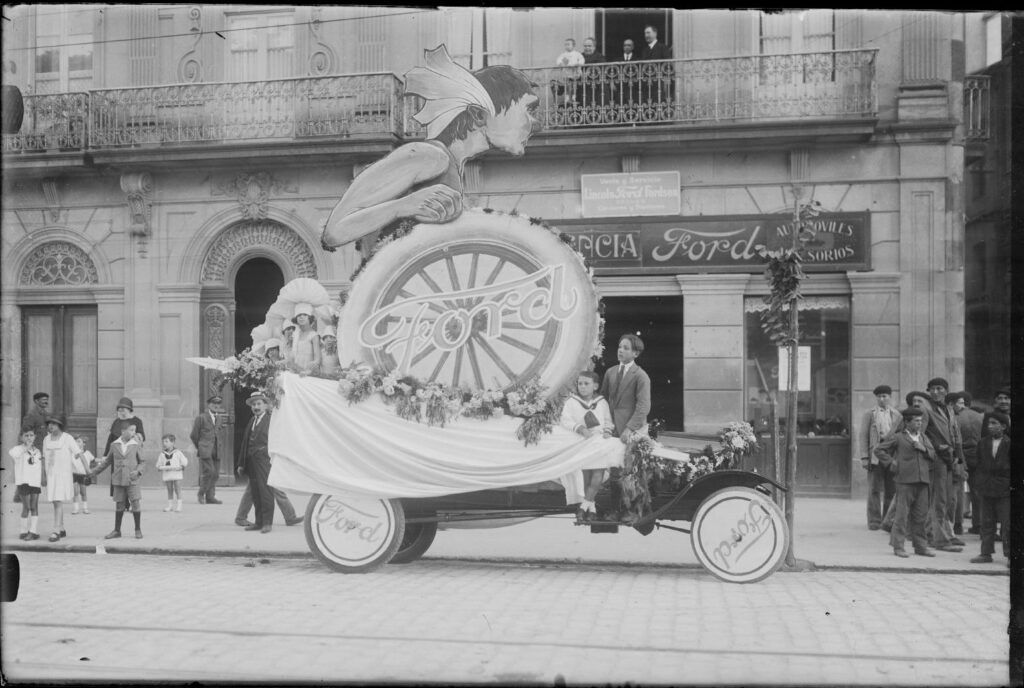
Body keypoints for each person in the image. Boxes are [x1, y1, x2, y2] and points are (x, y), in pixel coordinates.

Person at [320, 45, 539, 254]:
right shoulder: (429, 156)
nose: (535, 123)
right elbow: (335, 232)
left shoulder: (450, 165)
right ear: (479, 114)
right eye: (528, 110)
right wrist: (405, 205)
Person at [559, 370, 622, 522]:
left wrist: (607, 430)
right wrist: (580, 428)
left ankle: (583, 507)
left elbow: (608, 420)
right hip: (584, 442)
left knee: (597, 476)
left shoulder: (601, 402)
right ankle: (591, 509)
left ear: (595, 386)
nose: (582, 387)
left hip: (599, 441)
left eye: (586, 384)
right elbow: (565, 420)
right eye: (580, 383)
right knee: (586, 476)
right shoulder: (572, 402)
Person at [874, 407, 935, 558]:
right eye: (916, 421)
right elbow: (879, 450)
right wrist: (891, 463)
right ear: (907, 422)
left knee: (921, 516)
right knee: (902, 515)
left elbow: (933, 454)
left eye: (921, 421)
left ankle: (920, 547)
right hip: (905, 481)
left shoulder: (923, 438)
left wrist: (924, 449)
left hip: (923, 481)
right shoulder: (898, 437)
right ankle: (898, 547)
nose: (919, 424)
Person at [88, 421, 145, 539]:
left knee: (135, 503)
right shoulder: (114, 445)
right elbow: (107, 462)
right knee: (119, 505)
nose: (134, 433)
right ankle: (117, 530)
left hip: (132, 479)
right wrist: (93, 473)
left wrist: (138, 471)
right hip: (118, 479)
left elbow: (142, 461)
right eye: (131, 430)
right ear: (123, 431)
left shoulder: (136, 444)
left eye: (134, 430)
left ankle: (137, 529)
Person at [855, 384, 901, 530]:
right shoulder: (870, 414)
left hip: (891, 455)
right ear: (876, 398)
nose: (882, 399)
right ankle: (874, 520)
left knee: (891, 489)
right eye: (879, 397)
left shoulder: (897, 415)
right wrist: (864, 457)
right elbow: (863, 436)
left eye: (885, 396)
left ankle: (887, 520)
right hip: (875, 455)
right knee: (874, 489)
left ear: (890, 397)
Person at [969, 412, 1010, 566]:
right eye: (989, 423)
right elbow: (978, 464)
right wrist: (980, 483)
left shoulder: (1010, 443)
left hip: (1004, 488)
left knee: (1007, 523)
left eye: (994, 423)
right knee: (987, 522)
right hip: (986, 487)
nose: (990, 426)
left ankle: (1011, 554)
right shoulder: (983, 443)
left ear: (1004, 427)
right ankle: (986, 553)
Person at [599, 334, 651, 444]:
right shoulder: (610, 372)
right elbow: (602, 400)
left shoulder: (640, 376)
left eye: (626, 348)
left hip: (631, 432)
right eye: (619, 347)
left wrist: (629, 429)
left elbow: (643, 407)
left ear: (635, 353)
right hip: (610, 430)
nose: (620, 350)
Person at [236, 391, 274, 533]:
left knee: (266, 492)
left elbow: (277, 441)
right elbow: (245, 443)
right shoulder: (252, 420)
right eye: (253, 404)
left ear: (265, 405)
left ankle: (268, 523)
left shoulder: (271, 420)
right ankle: (259, 522)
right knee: (256, 493)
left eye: (259, 404)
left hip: (265, 460)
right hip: (251, 461)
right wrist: (241, 464)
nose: (256, 407)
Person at [41, 416, 81, 542]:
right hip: (51, 475)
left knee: (58, 501)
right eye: (49, 424)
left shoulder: (67, 438)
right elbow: (43, 458)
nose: (51, 426)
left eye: (55, 424)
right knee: (55, 501)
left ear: (60, 425)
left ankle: (56, 530)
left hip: (62, 475)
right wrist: (43, 475)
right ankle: (62, 528)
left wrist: (88, 470)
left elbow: (78, 454)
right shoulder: (46, 439)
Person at [956, 391, 985, 534]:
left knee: (958, 490)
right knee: (977, 491)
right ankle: (978, 525)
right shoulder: (979, 417)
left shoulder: (956, 417)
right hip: (978, 455)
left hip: (961, 455)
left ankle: (957, 525)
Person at [190, 394, 223, 505]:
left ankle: (210, 497)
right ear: (208, 405)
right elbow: (194, 435)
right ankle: (201, 493)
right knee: (209, 472)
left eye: (218, 404)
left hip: (216, 450)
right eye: (214, 403)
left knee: (216, 474)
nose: (216, 406)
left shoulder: (219, 418)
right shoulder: (201, 418)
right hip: (205, 449)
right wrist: (200, 446)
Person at [944, 392, 969, 536]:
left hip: (957, 462)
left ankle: (955, 526)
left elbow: (958, 443)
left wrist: (962, 465)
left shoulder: (954, 418)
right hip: (951, 461)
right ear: (951, 404)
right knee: (952, 497)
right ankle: (951, 528)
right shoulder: (947, 418)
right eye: (960, 403)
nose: (963, 406)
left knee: (956, 496)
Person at [10, 427, 43, 540]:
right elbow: (15, 455)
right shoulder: (17, 449)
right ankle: (23, 531)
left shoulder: (37, 451)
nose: (29, 438)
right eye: (26, 435)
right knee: (26, 507)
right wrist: (26, 447)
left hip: (35, 483)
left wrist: (40, 481)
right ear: (21, 437)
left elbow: (38, 467)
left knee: (34, 506)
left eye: (31, 435)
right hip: (23, 482)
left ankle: (33, 531)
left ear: (35, 437)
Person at [234, 485, 304, 528]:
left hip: (264, 463)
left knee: (253, 487)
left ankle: (241, 516)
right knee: (253, 487)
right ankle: (290, 517)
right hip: (261, 463)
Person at [157, 434, 188, 513]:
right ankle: (170, 505)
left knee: (177, 488)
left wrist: (181, 466)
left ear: (173, 442)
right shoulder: (162, 454)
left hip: (176, 473)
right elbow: (159, 464)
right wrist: (160, 467)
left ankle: (179, 505)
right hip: (167, 474)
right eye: (163, 441)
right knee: (169, 489)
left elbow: (184, 461)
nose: (164, 443)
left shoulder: (178, 452)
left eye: (166, 441)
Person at [576, 37, 608, 109]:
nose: (587, 48)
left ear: (594, 47)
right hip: (583, 87)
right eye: (585, 46)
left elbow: (602, 68)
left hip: (598, 87)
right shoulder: (580, 56)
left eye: (589, 46)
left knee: (598, 108)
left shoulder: (599, 56)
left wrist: (589, 71)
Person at [291, 303, 322, 374]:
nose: (301, 317)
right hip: (295, 372)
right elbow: (293, 356)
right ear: (296, 318)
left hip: (308, 374)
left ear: (309, 318)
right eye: (299, 315)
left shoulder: (314, 335)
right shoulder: (296, 334)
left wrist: (308, 371)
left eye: (305, 315)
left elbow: (317, 360)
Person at [554, 38, 585, 107]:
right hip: (567, 72)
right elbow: (559, 60)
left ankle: (574, 95)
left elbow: (581, 60)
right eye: (565, 45)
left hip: (574, 71)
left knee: (574, 84)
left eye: (568, 44)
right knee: (567, 85)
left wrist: (577, 64)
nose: (567, 46)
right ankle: (567, 96)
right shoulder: (563, 54)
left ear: (573, 46)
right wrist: (561, 64)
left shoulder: (577, 54)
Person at [71, 435, 94, 515]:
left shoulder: (87, 453)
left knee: (83, 492)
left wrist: (103, 460)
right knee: (75, 492)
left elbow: (94, 460)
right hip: (74, 474)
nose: (77, 443)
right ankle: (76, 508)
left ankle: (85, 508)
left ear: (84, 444)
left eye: (79, 441)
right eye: (76, 441)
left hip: (83, 475)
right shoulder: (72, 453)